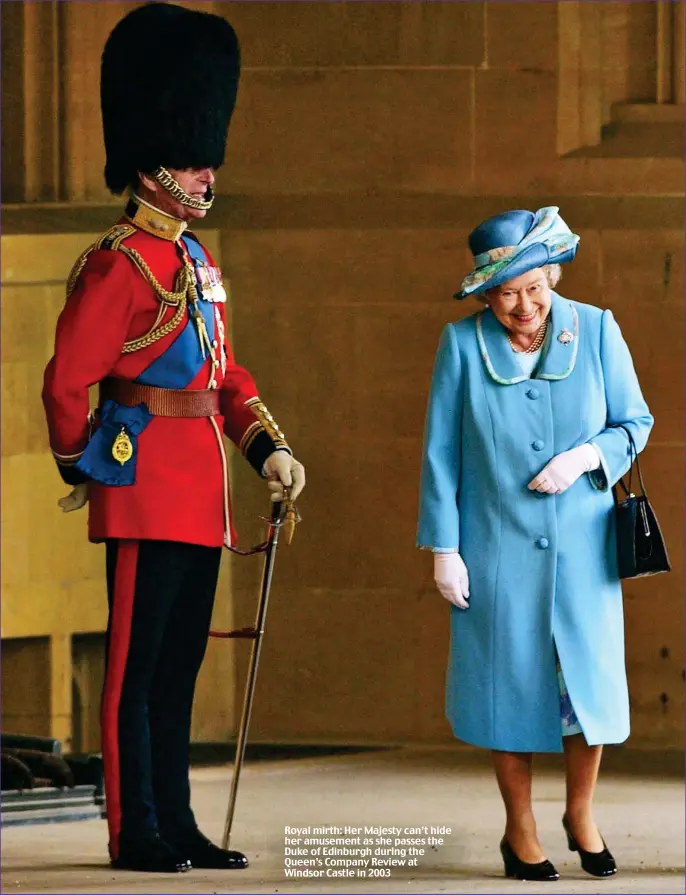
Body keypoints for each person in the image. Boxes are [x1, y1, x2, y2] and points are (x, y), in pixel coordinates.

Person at [42, 2, 305, 874]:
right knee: (134, 669)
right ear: (153, 166)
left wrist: (268, 451)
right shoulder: (120, 264)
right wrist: (82, 461)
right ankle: (134, 827)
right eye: (193, 160)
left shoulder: (195, 265)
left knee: (179, 671)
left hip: (201, 497)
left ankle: (178, 821)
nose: (205, 173)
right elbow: (66, 379)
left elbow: (227, 379)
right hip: (140, 487)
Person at [417, 207, 653, 881]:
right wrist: (444, 546)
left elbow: (634, 421)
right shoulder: (461, 345)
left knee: (586, 691)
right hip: (494, 547)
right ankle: (518, 830)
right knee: (506, 689)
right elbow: (440, 452)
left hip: (583, 548)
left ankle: (581, 814)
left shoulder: (598, 329)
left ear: (552, 273)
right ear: (486, 294)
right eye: (505, 292)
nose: (522, 305)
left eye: (533, 287)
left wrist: (583, 458)